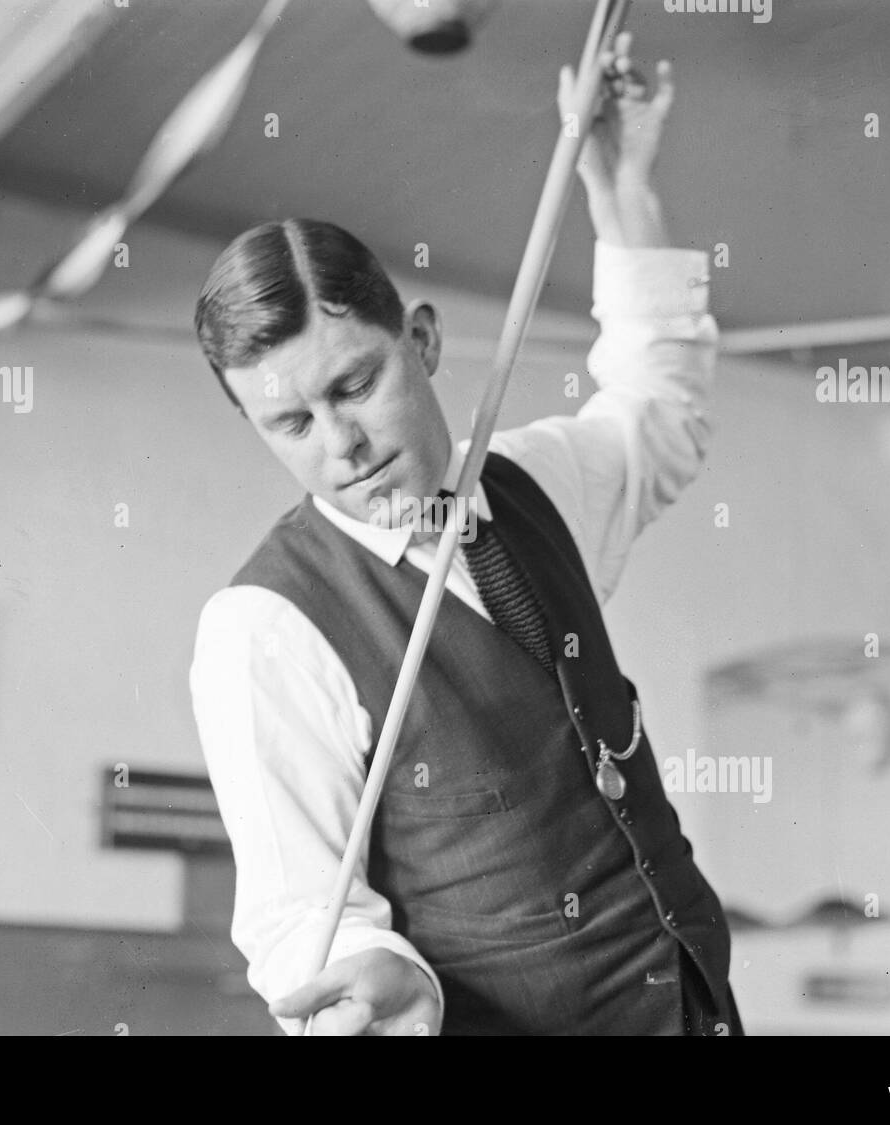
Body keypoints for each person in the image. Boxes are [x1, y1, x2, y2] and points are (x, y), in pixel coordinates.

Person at [190, 35, 742, 1036]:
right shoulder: (263, 630)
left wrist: (621, 189)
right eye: (292, 423)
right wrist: (378, 975)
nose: (343, 444)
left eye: (356, 384)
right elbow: (300, 914)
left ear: (424, 340)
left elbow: (661, 409)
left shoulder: (536, 482)